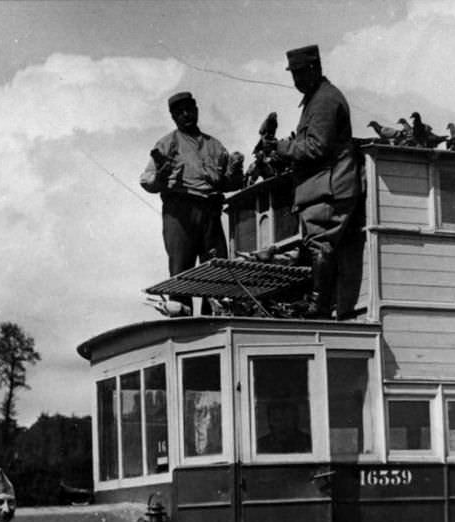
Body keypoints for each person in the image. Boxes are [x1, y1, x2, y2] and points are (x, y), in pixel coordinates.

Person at [268, 44, 365, 319]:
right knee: (318, 246)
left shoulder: (323, 100)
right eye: (293, 74)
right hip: (324, 188)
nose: (296, 80)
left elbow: (316, 147)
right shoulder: (318, 98)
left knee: (319, 244)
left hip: (329, 189)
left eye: (300, 73)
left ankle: (319, 307)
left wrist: (279, 148)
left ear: (315, 69)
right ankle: (319, 303)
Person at [141, 91, 245, 316]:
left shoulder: (215, 146)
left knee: (218, 270)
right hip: (180, 212)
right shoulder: (167, 144)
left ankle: (213, 320)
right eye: (179, 112)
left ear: (196, 110)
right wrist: (161, 176)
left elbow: (230, 183)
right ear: (173, 117)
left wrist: (236, 170)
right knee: (181, 272)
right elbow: (147, 181)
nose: (186, 115)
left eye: (189, 109)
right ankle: (184, 323)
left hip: (210, 211)